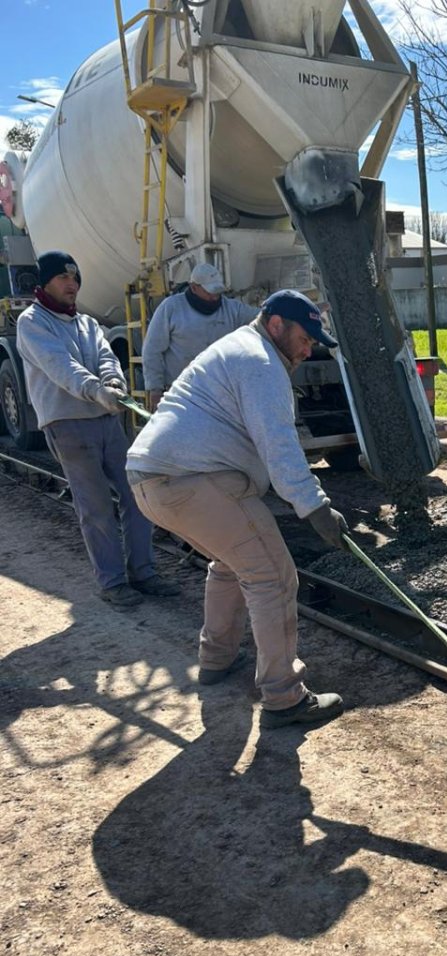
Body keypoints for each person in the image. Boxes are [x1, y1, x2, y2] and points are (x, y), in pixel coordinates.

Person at [126, 289, 349, 729]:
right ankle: (284, 696)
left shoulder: (239, 350)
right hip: (190, 479)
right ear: (276, 325)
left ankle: (216, 658)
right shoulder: (261, 362)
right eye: (304, 339)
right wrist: (316, 507)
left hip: (152, 481)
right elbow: (280, 447)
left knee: (230, 562)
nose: (308, 351)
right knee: (274, 575)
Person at [15, 250, 180, 610]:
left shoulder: (87, 323)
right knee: (97, 507)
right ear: (44, 282)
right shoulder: (32, 323)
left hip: (106, 420)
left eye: (75, 278)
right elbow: (61, 367)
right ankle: (112, 582)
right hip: (68, 424)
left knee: (137, 495)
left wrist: (113, 381)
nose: (71, 284)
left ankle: (143, 573)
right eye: (63, 277)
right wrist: (97, 391)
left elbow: (106, 356)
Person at [141, 262, 258, 411]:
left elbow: (261, 318)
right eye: (210, 292)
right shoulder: (171, 307)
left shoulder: (232, 309)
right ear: (194, 287)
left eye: (218, 292)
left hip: (220, 394)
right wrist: (155, 389)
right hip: (180, 393)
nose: (214, 297)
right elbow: (152, 350)